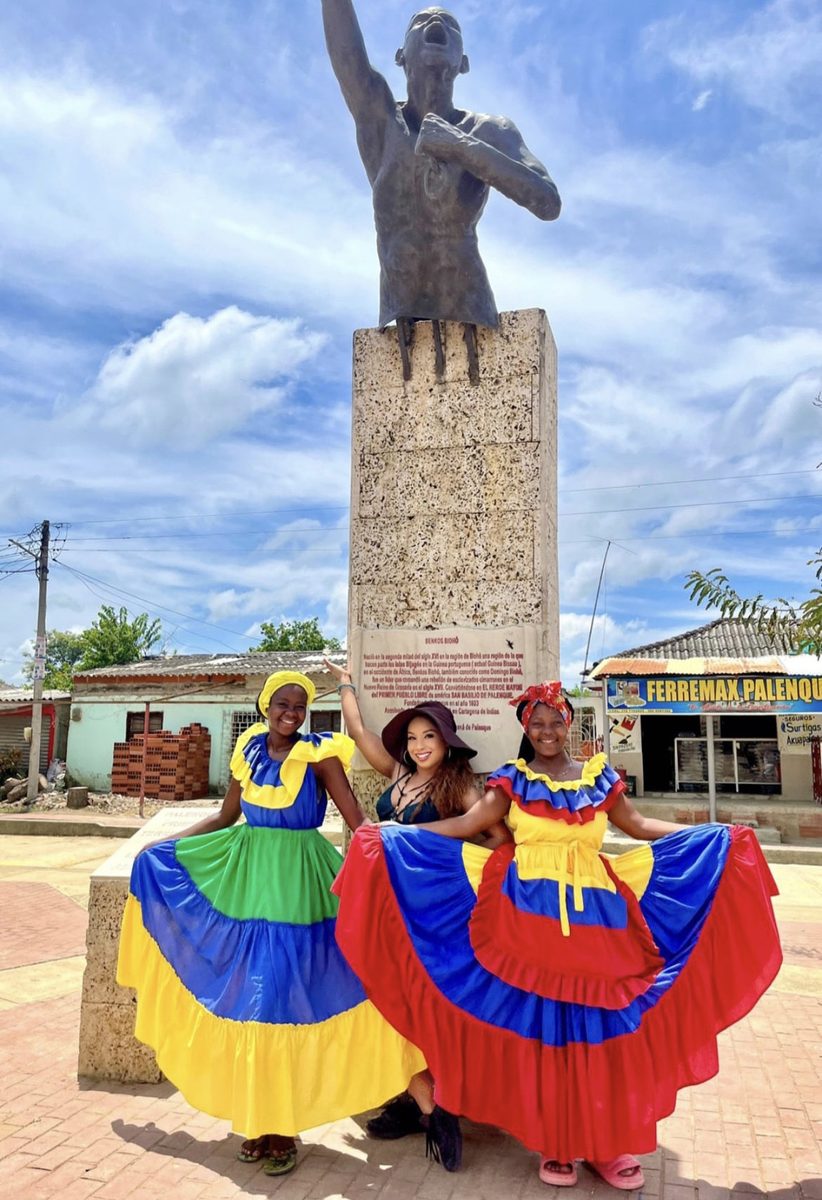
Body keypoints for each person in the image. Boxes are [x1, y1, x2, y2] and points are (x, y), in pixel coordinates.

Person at [333, 681, 783, 1189]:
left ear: (569, 724)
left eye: (555, 722)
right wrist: (397, 833)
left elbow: (637, 825)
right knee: (549, 1030)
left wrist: (710, 833)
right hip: (528, 914)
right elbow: (467, 824)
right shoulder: (511, 780)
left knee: (605, 1028)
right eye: (537, 724)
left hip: (600, 917)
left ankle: (608, 1145)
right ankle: (558, 1143)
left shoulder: (599, 777)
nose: (547, 731)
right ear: (526, 729)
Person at [117, 671, 425, 1177]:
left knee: (285, 1004)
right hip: (248, 885)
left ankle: (283, 1126)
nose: (292, 713)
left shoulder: (320, 755)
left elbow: (356, 820)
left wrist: (398, 858)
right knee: (252, 1005)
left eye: (300, 706)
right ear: (265, 706)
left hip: (301, 890)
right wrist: (164, 845)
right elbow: (225, 817)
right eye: (283, 703)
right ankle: (259, 1121)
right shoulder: (248, 752)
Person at [323, 657, 509, 1170]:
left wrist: (452, 871)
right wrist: (347, 685)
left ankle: (441, 1100)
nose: (420, 746)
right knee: (383, 994)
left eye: (429, 736)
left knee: (429, 1002)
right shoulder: (399, 772)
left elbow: (497, 838)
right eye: (412, 738)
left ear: (446, 742)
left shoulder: (459, 785)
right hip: (386, 905)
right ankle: (418, 1097)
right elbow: (360, 734)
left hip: (433, 916)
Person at [321, 3, 561, 328]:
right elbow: (347, 57)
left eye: (451, 24)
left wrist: (462, 147)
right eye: (420, 21)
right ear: (400, 56)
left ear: (463, 63)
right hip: (400, 324)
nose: (435, 21)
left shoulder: (488, 130)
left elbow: (547, 202)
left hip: (470, 317)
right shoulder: (381, 122)